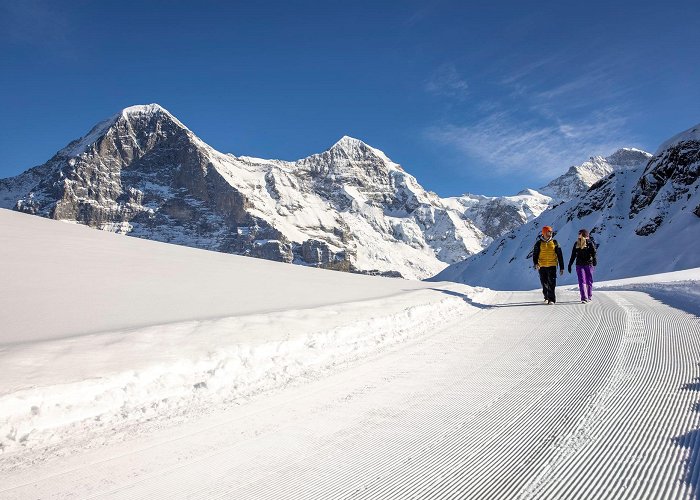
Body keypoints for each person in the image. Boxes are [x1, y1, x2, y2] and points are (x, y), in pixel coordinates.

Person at [532, 226, 564, 304]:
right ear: (544, 233)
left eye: (551, 232)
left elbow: (560, 255)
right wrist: (536, 263)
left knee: (552, 283)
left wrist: (561, 267)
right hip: (542, 266)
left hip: (552, 265)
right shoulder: (538, 243)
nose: (550, 233)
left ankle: (551, 299)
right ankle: (546, 296)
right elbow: (535, 255)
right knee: (544, 283)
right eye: (549, 232)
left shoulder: (555, 242)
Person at [568, 229, 597, 303]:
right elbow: (573, 255)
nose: (578, 235)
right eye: (578, 234)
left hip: (588, 265)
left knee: (589, 281)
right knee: (582, 281)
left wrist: (594, 260)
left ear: (584, 235)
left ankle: (589, 296)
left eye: (580, 234)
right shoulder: (576, 243)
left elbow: (594, 253)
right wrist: (570, 264)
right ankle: (584, 298)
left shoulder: (590, 243)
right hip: (579, 265)